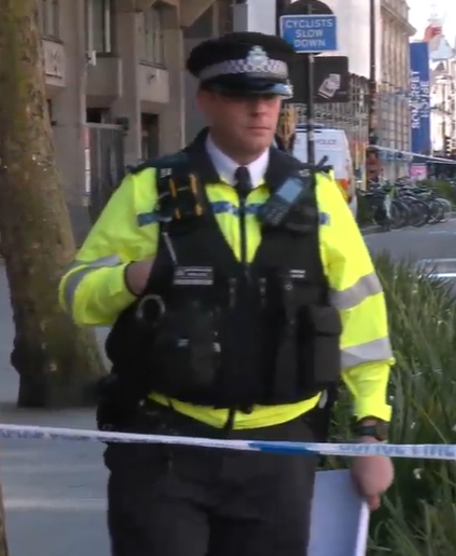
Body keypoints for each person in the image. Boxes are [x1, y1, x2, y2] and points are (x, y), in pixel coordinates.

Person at [57, 32, 394, 556]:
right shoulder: (150, 189)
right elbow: (77, 294)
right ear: (207, 100)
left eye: (271, 97)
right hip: (167, 444)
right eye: (241, 95)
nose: (260, 110)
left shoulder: (318, 195)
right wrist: (131, 278)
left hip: (280, 447)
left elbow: (362, 319)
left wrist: (369, 433)